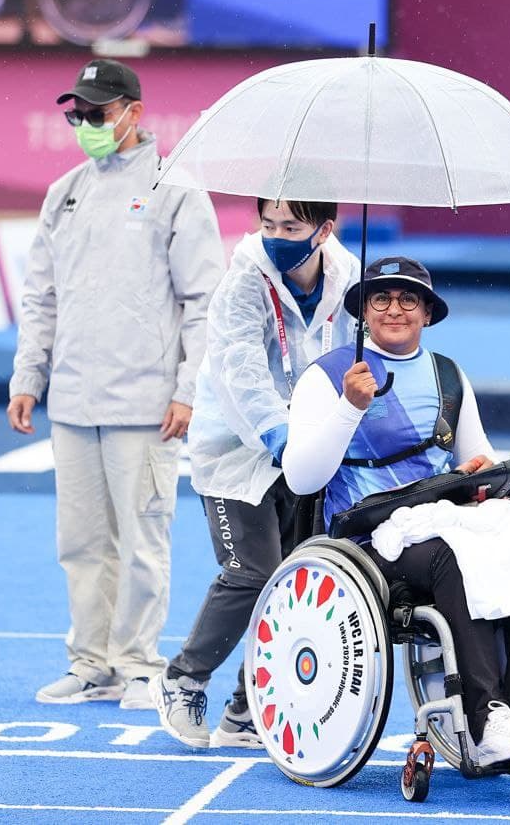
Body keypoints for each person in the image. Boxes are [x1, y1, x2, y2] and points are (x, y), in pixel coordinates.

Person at [280, 256, 510, 767]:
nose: (395, 309)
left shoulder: (447, 375)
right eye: (381, 299)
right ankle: (486, 720)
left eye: (409, 299)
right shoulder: (329, 377)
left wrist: (482, 474)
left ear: (427, 313)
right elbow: (301, 479)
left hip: (441, 523)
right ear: (363, 311)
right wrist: (349, 408)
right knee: (456, 555)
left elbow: (480, 456)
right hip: (368, 543)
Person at [8, 58, 223, 709]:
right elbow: (41, 295)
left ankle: (137, 662)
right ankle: (91, 661)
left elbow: (203, 299)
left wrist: (188, 389)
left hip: (146, 402)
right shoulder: (64, 192)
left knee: (141, 540)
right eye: (77, 115)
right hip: (73, 399)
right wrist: (28, 375)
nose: (86, 125)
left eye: (97, 113)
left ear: (134, 111)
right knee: (81, 542)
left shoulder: (175, 189)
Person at [150, 198, 362, 748]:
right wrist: (284, 440)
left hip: (309, 447)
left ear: (324, 230)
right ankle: (183, 679)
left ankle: (249, 706)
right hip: (237, 447)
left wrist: (328, 435)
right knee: (252, 570)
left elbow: (348, 359)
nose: (276, 236)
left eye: (291, 226)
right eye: (268, 224)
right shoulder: (244, 282)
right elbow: (240, 374)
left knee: (295, 581)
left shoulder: (349, 276)